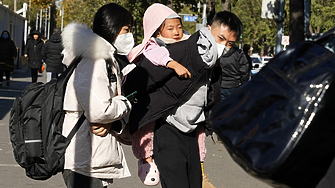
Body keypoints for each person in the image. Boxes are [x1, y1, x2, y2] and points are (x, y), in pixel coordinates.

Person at [125, 10, 240, 188]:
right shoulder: (180, 50)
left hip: (193, 130)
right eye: (220, 38)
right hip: (167, 126)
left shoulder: (214, 64)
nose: (223, 46)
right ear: (209, 30)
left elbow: (210, 98)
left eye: (230, 44)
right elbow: (143, 80)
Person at [61, 3, 136, 188]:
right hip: (84, 155)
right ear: (112, 27)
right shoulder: (95, 59)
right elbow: (100, 111)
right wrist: (125, 102)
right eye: (126, 30)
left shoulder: (102, 58)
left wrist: (112, 121)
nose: (129, 35)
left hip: (90, 154)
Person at [127, 3, 203, 186]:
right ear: (157, 32)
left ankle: (201, 156)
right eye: (170, 28)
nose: (177, 31)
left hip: (190, 120)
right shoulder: (154, 47)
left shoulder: (188, 43)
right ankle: (146, 158)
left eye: (179, 27)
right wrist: (173, 64)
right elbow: (158, 56)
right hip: (165, 122)